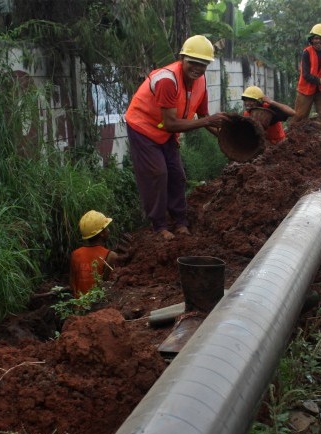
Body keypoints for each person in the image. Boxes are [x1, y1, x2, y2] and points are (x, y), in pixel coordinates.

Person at [125, 35, 231, 240]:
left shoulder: (200, 81)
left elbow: (203, 116)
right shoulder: (167, 80)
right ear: (182, 58)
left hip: (166, 132)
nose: (198, 68)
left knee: (177, 175)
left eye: (203, 64)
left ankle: (180, 221)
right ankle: (159, 226)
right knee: (157, 173)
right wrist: (209, 122)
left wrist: (225, 138)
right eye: (193, 62)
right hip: (143, 128)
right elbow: (173, 123)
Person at [69, 210, 127, 297]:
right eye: (106, 228)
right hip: (99, 307)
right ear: (102, 234)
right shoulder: (111, 256)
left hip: (78, 307)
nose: (108, 230)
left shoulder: (75, 254)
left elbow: (72, 284)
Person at [292, 23, 321, 129]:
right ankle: (291, 135)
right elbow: (305, 74)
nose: (318, 41)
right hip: (305, 90)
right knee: (299, 116)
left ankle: (316, 134)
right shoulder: (307, 52)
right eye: (316, 38)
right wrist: (319, 80)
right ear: (312, 39)